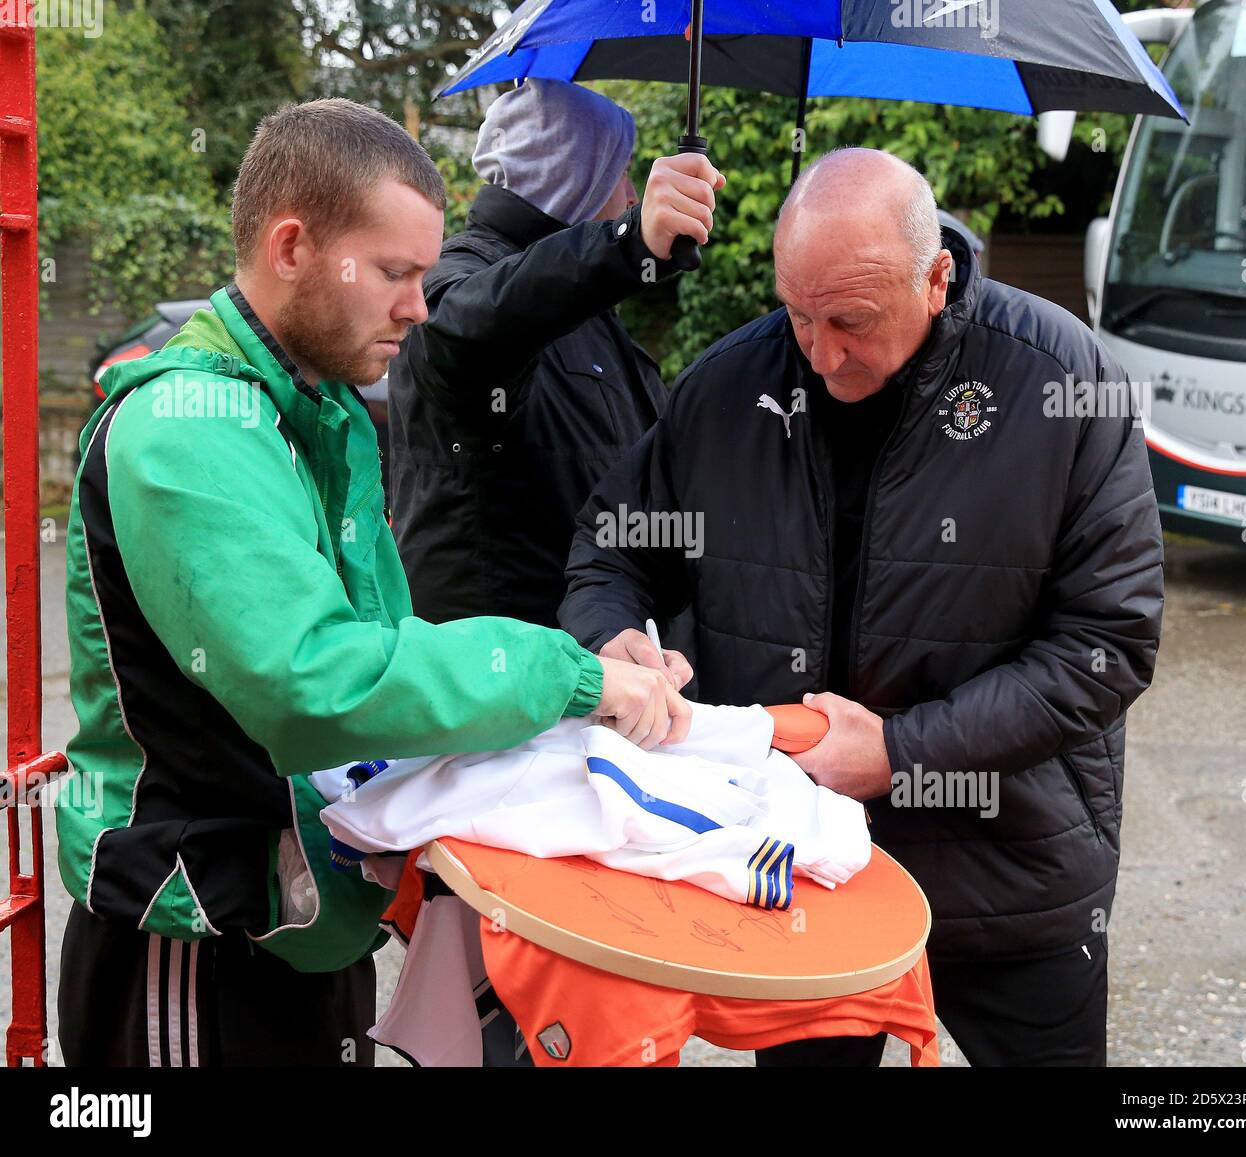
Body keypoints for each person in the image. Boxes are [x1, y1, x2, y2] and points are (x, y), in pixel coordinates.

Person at [56, 97, 689, 1068]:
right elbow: (317, 680)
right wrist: (571, 676)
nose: (420, 306)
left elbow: (386, 660)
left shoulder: (320, 407)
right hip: (195, 944)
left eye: (425, 274)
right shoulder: (188, 426)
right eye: (394, 272)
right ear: (293, 246)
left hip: (301, 922)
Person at [560, 148, 1165, 1067]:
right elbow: (614, 544)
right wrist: (609, 636)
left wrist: (899, 752)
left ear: (937, 278)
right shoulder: (729, 387)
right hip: (798, 861)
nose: (821, 351)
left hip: (1011, 867)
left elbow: (1109, 643)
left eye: (852, 320)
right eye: (799, 312)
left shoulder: (1062, 382)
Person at [388, 78, 724, 638]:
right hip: (498, 686)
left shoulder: (582, 304)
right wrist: (629, 241)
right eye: (621, 171)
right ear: (573, 177)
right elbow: (472, 327)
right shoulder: (456, 282)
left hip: (597, 662)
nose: (634, 194)